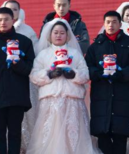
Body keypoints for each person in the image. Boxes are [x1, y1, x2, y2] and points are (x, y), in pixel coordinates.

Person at [27, 19, 95, 154]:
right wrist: (49, 74)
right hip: (51, 100)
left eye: (62, 33)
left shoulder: (75, 54)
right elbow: (34, 76)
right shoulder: (43, 54)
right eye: (56, 33)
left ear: (67, 35)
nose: (58, 35)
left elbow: (86, 74)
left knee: (73, 133)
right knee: (51, 133)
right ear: (50, 35)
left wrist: (74, 74)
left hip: (73, 101)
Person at [0, 0, 38, 151]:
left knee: (15, 133)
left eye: (6, 19)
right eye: (0, 20)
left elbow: (29, 69)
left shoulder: (25, 42)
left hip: (17, 96)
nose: (3, 22)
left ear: (13, 20)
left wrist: (16, 62)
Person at [85, 10, 129, 154]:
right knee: (103, 137)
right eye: (108, 22)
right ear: (104, 24)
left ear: (120, 24)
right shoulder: (96, 46)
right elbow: (87, 67)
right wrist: (99, 74)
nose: (111, 25)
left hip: (122, 97)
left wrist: (120, 75)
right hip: (101, 97)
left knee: (120, 137)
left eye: (114, 22)